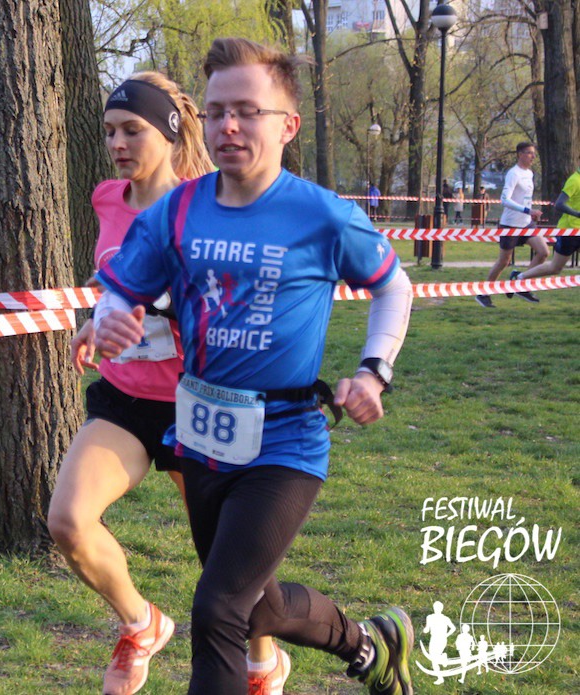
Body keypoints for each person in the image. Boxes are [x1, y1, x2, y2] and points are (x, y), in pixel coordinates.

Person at [93, 38, 414, 694]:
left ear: (287, 125)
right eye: (216, 112)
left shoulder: (321, 215)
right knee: (254, 606)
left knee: (217, 610)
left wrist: (373, 370)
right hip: (202, 439)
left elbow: (393, 285)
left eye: (247, 111)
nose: (228, 126)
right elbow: (120, 288)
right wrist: (110, 316)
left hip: (286, 442)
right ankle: (370, 644)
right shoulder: (177, 210)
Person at [48, 72, 290, 695]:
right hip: (126, 399)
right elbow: (113, 279)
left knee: (226, 560)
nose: (118, 143)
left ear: (170, 134)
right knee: (69, 522)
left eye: (133, 130)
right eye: (110, 131)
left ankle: (263, 662)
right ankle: (141, 623)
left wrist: (163, 310)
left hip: (200, 402)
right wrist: (97, 319)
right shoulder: (107, 199)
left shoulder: (208, 208)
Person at [475, 142, 546, 307]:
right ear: (520, 154)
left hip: (527, 224)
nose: (533, 156)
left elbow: (525, 198)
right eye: (529, 153)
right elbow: (505, 200)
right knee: (504, 261)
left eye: (534, 153)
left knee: (543, 252)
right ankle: (483, 293)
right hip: (510, 224)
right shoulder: (513, 173)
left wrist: (530, 213)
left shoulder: (529, 173)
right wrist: (527, 210)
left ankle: (521, 283)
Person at [510, 164, 580, 283]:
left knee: (555, 268)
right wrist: (577, 214)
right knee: (555, 268)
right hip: (569, 231)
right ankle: (519, 277)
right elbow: (559, 204)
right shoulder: (575, 180)